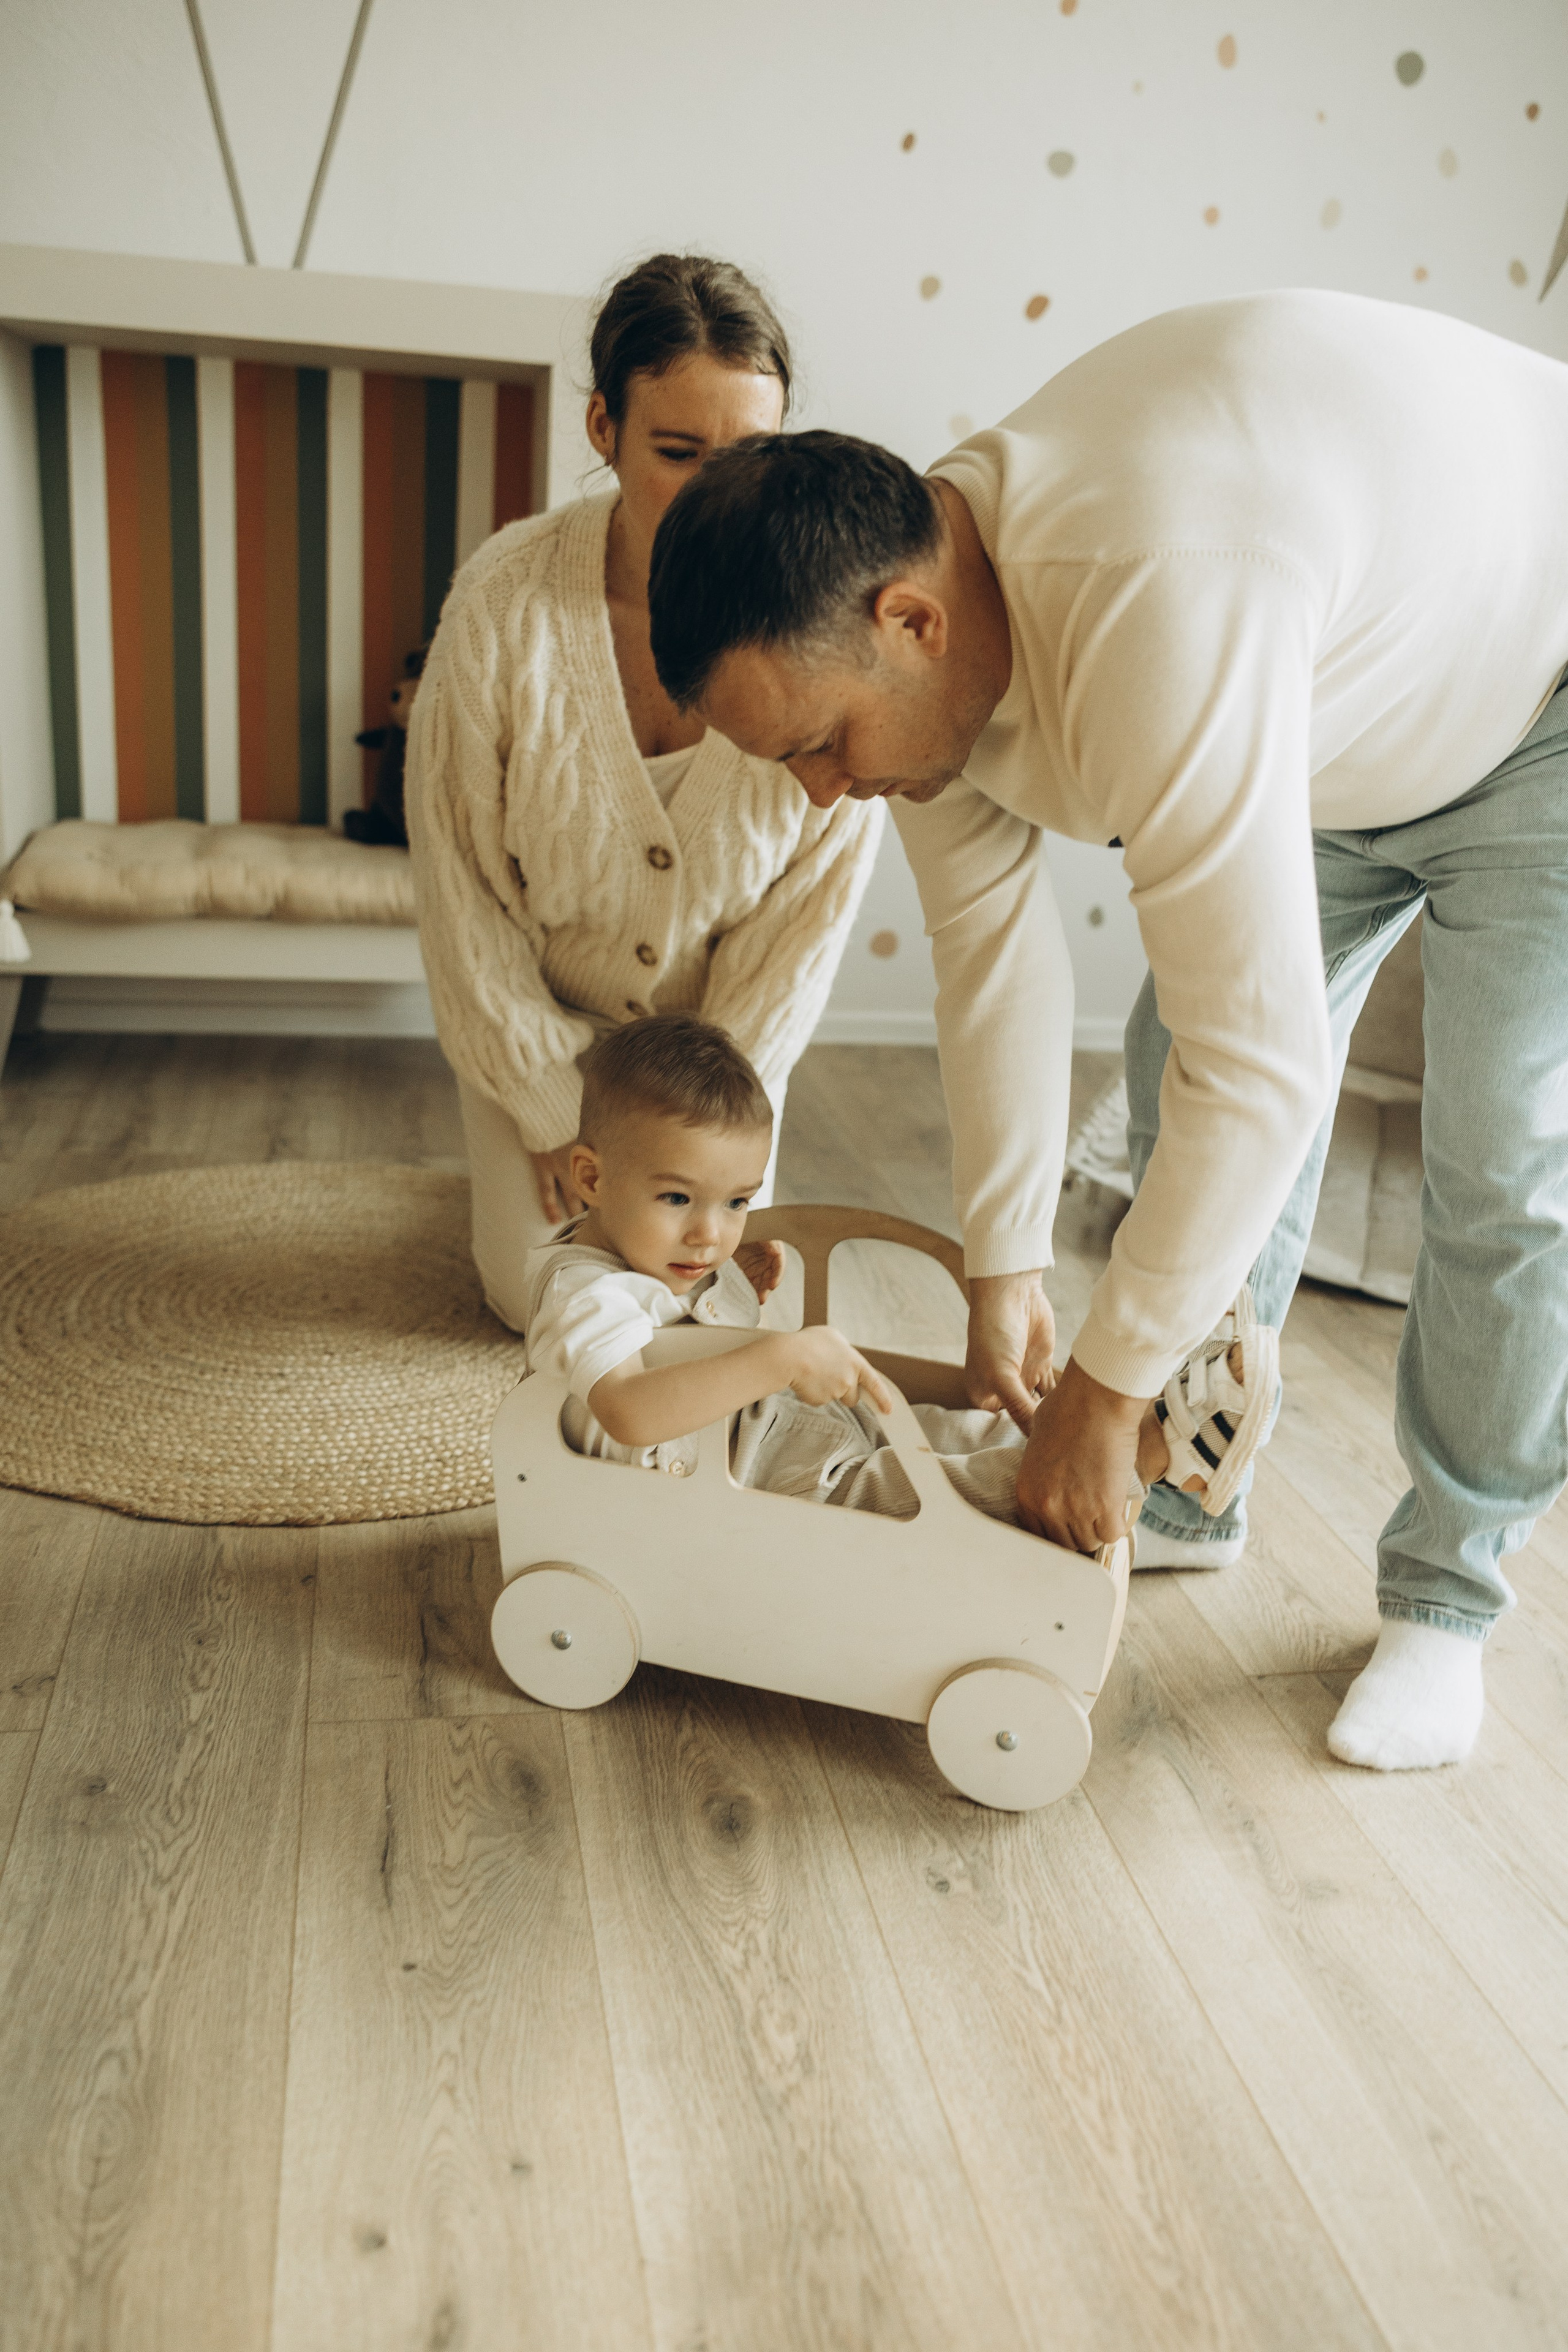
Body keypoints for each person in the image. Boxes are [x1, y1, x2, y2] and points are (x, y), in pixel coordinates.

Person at [642, 288, 1568, 1773]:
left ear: (911, 621)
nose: (820, 792)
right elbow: (994, 968)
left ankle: (1445, 1594)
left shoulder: (1156, 600)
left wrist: (1102, 1381)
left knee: (1505, 1148)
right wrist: (1003, 1268)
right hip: (1344, 707)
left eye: (817, 746)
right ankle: (1188, 1489)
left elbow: (1260, 1072)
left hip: (1537, 690)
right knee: (1166, 1071)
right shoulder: (916, 641)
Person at [405, 254, 882, 1330]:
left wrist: (699, 1150)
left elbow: (800, 939)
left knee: (714, 1311)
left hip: (722, 1071)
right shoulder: (503, 607)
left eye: (752, 455)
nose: (722, 493)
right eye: (680, 452)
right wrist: (545, 1106)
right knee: (544, 1301)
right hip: (541, 1041)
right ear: (602, 429)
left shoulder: (826, 640)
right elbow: (460, 890)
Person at [522, 1012, 1231, 1527]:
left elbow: (708, 1345)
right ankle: (1140, 1457)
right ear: (589, 1176)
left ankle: (1074, 1426)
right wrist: (777, 1354)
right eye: (677, 1197)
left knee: (957, 1432)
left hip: (791, 1436)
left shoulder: (657, 1257)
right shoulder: (585, 1294)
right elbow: (627, 1408)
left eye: (738, 1200)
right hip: (750, 1494)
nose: (710, 1231)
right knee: (916, 1492)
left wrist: (720, 1292)